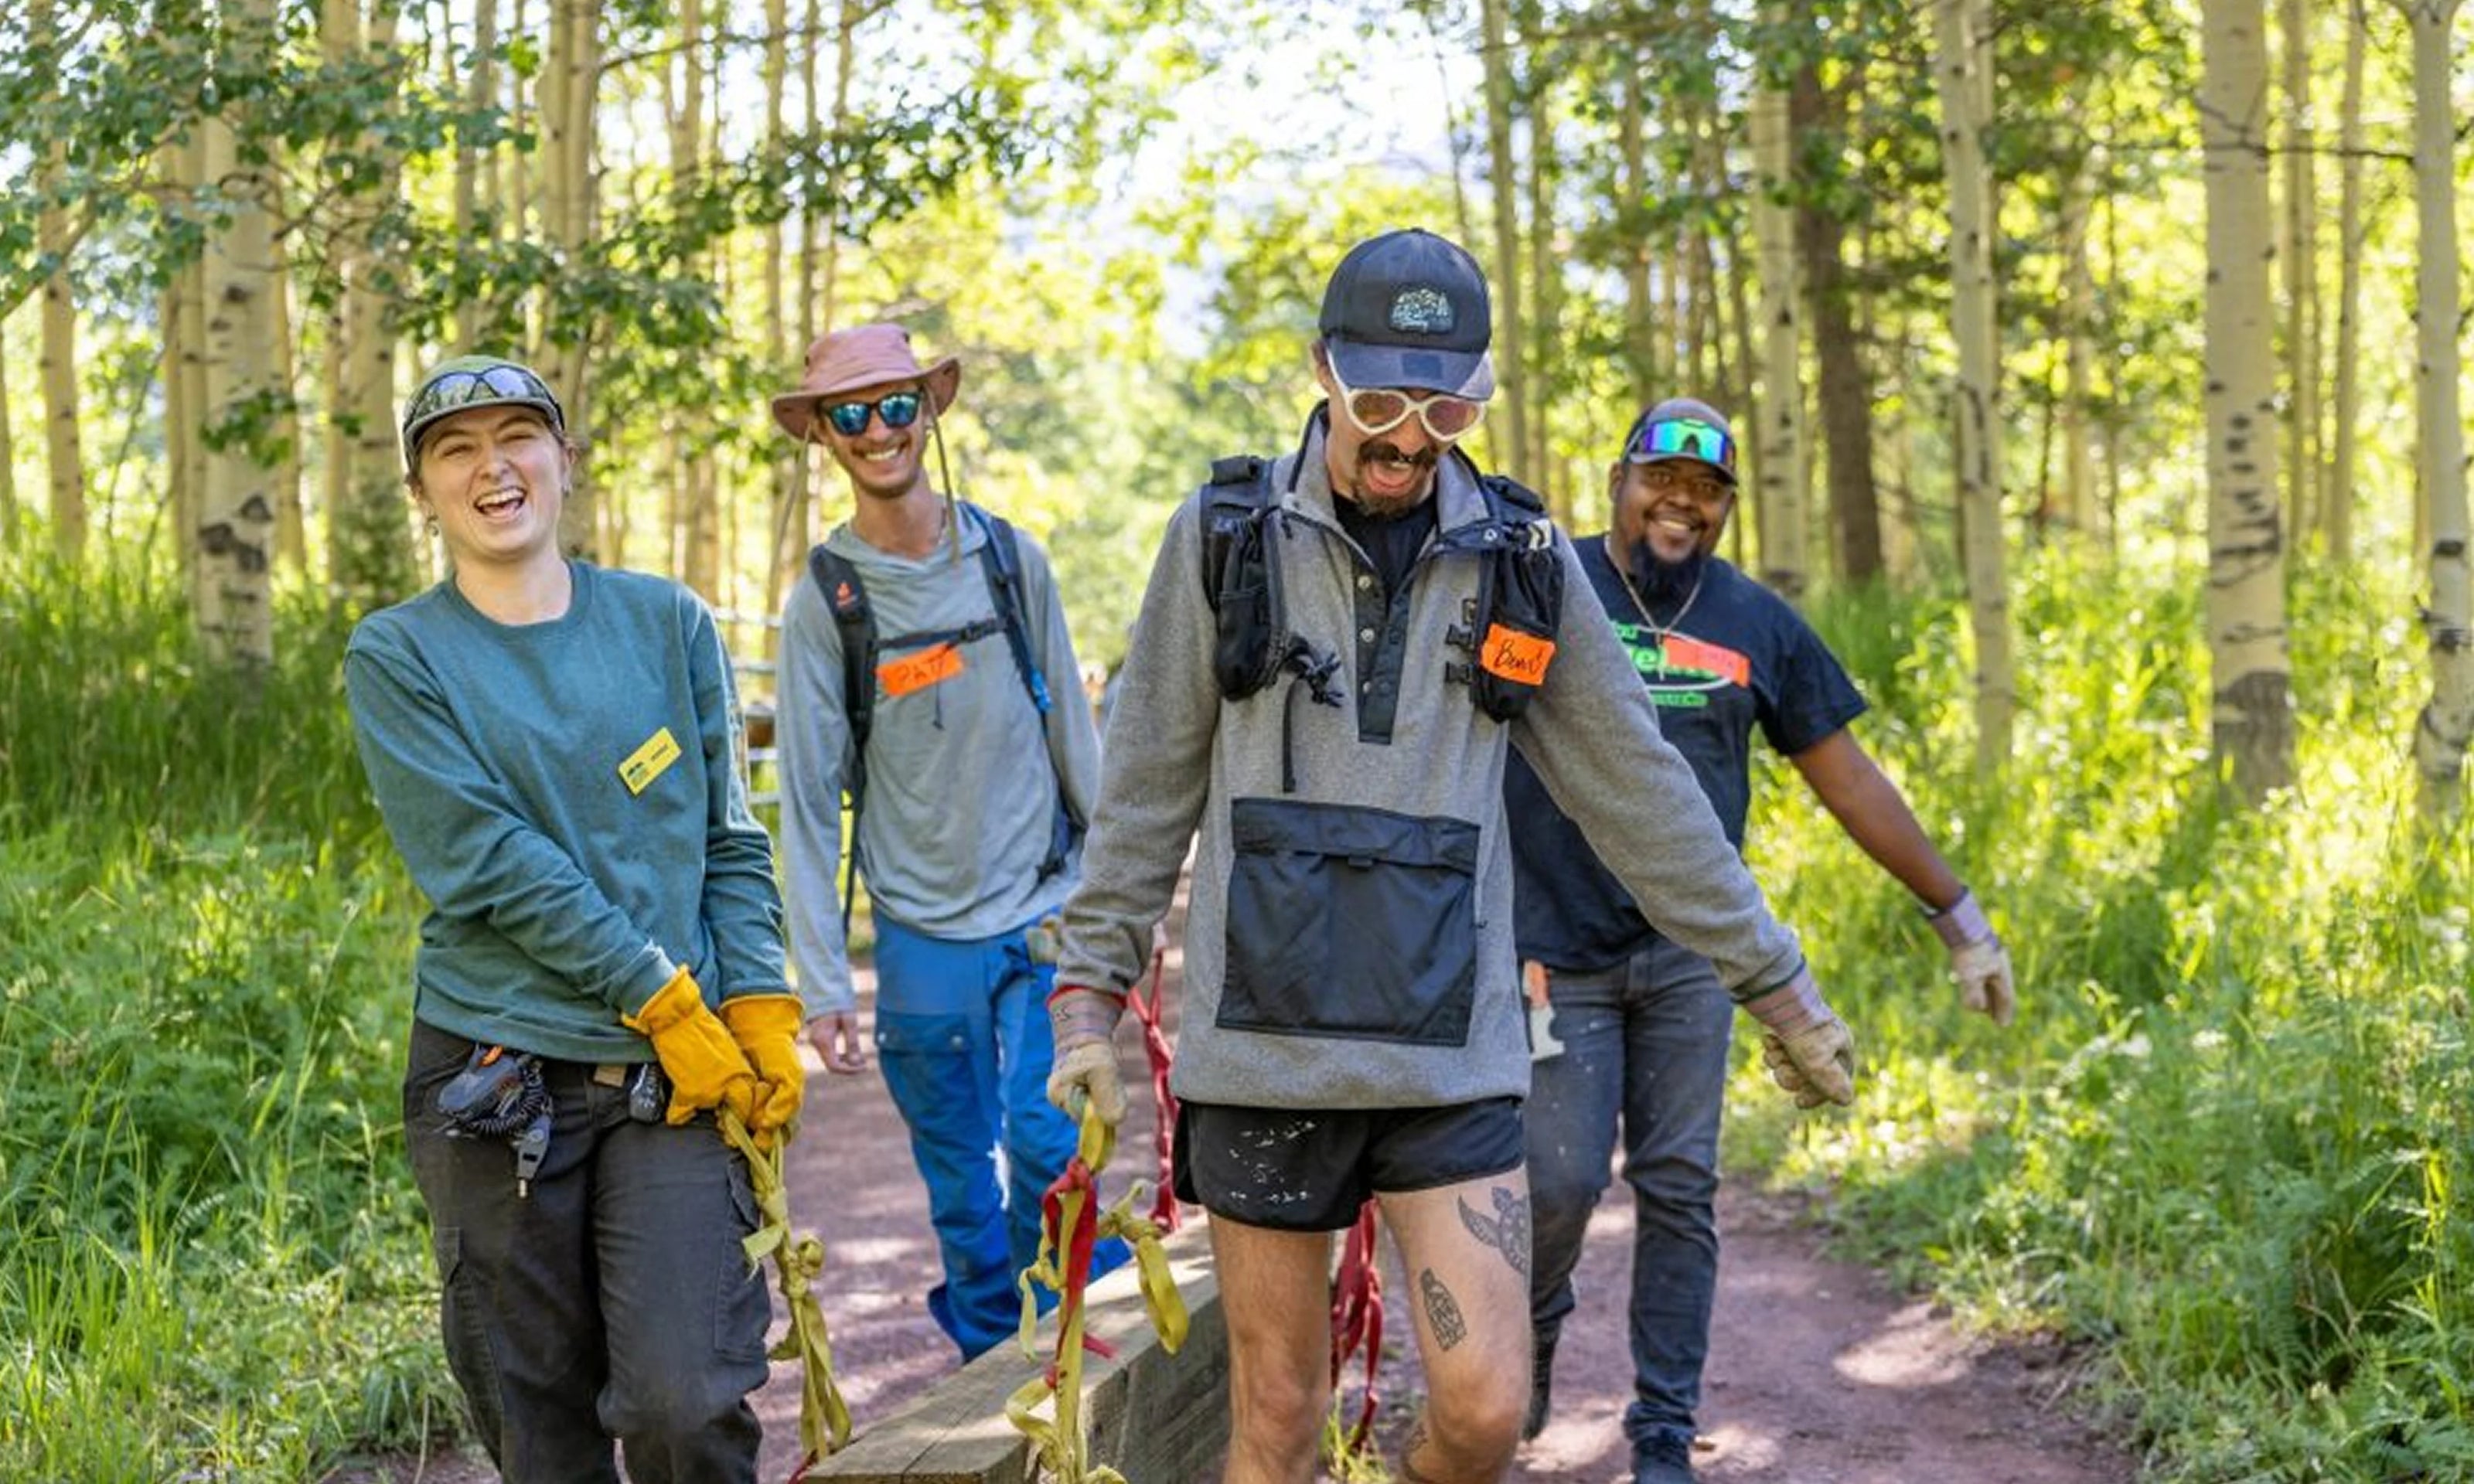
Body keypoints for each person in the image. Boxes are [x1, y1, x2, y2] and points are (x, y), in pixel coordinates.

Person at [1043, 229, 1857, 1484]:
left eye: (1445, 406)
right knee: (1275, 1419)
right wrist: (1087, 1002)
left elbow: (1641, 791)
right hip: (1265, 1056)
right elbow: (1145, 783)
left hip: (1453, 1052)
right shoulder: (1221, 536)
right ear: (1322, 372)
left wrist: (1777, 985)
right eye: (1378, 403)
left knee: (1480, 1412)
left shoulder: (1523, 561)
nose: (1408, 439)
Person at [1507, 396, 2019, 1482]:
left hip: (1694, 957)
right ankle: (1536, 1329)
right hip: (1552, 950)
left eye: (1705, 493)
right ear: (1618, 481)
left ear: (1727, 507)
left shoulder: (1756, 625)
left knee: (1682, 1184)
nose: (1679, 506)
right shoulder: (1551, 590)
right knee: (1556, 1183)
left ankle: (1659, 1435)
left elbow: (1850, 780)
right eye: (1661, 483)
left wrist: (1958, 917)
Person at [346, 355, 801, 1483]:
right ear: (423, 490)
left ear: (564, 457)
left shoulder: (666, 623)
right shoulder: (398, 653)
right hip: (496, 1078)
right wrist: (658, 990)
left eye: (517, 437)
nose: (491, 467)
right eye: (455, 449)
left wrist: (759, 1000)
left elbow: (728, 841)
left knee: (684, 1405)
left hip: (674, 1079)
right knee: (536, 1419)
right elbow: (484, 859)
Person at [770, 322, 1119, 1361]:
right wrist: (823, 983)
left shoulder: (1014, 561)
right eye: (850, 413)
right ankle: (990, 1400)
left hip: (1044, 914)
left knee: (1052, 1147)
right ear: (824, 437)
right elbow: (800, 797)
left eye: (895, 404)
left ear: (930, 408)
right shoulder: (827, 603)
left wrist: (1110, 917)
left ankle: (1089, 1381)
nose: (879, 429)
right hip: (919, 937)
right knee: (965, 1191)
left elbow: (1077, 744)